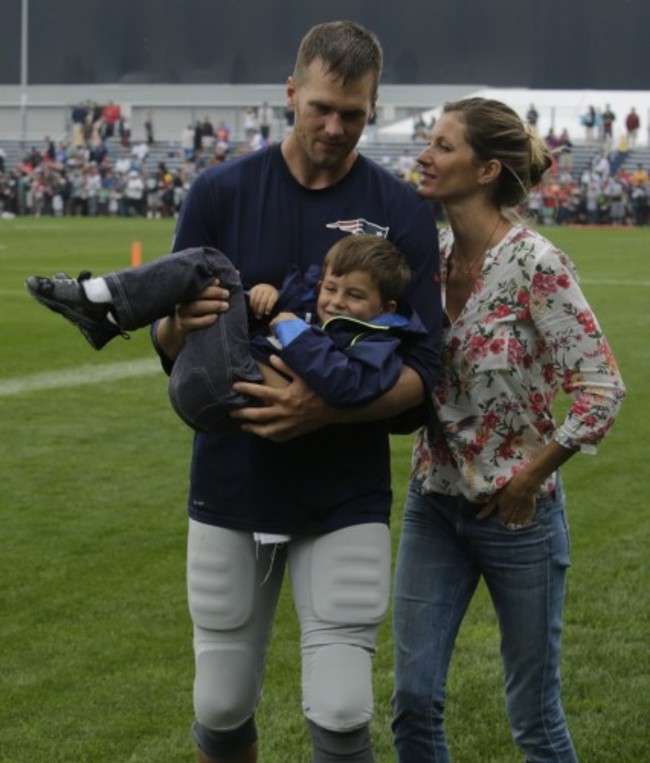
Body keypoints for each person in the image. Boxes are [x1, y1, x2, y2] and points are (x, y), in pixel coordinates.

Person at [151, 21, 442, 763]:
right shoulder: (220, 191)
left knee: (343, 708)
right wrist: (175, 325)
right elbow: (166, 345)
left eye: (353, 112)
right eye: (320, 107)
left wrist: (327, 405)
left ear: (375, 107)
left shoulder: (400, 210)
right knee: (218, 703)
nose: (335, 126)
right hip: (230, 472)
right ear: (290, 92)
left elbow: (430, 373)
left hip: (341, 486)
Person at [390, 97, 626, 762]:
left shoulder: (534, 263)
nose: (424, 156)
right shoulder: (424, 260)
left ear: (487, 168)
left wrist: (531, 475)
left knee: (534, 716)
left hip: (519, 516)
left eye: (442, 146)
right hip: (432, 502)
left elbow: (601, 390)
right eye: (427, 143)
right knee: (412, 701)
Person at [24, 235, 429, 432]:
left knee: (215, 266)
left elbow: (345, 384)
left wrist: (289, 326)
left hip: (231, 389)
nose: (336, 302)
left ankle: (102, 305)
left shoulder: (380, 342)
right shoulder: (310, 312)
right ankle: (104, 306)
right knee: (221, 279)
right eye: (330, 288)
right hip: (205, 379)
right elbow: (271, 326)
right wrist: (258, 298)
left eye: (354, 295)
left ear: (387, 308)